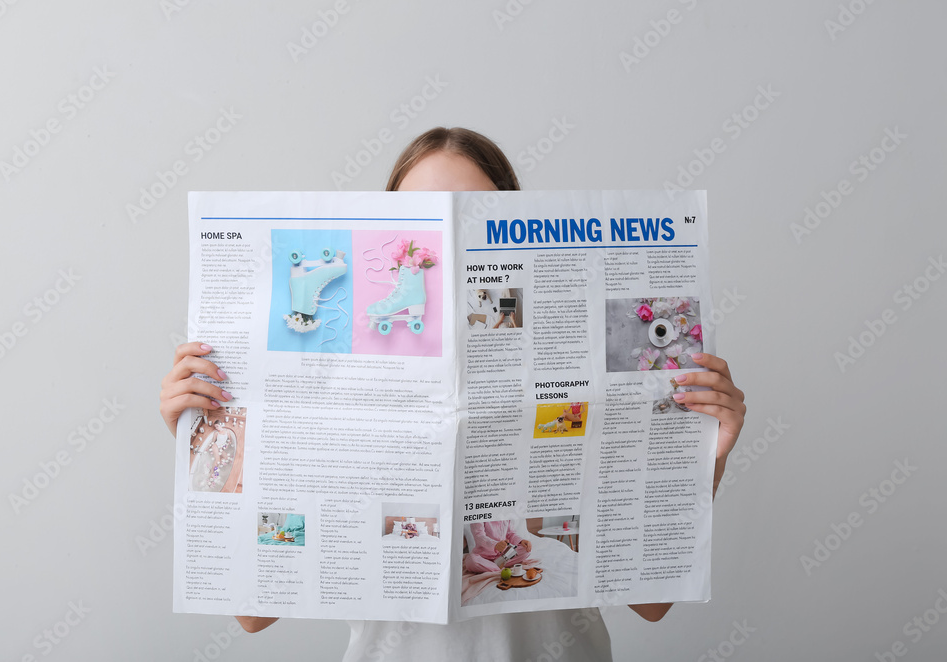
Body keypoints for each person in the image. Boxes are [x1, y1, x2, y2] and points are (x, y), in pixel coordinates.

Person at [159, 126, 747, 661]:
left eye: (472, 213)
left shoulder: (579, 365)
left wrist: (703, 455)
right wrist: (203, 438)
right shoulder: (341, 375)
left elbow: (651, 603)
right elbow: (253, 613)